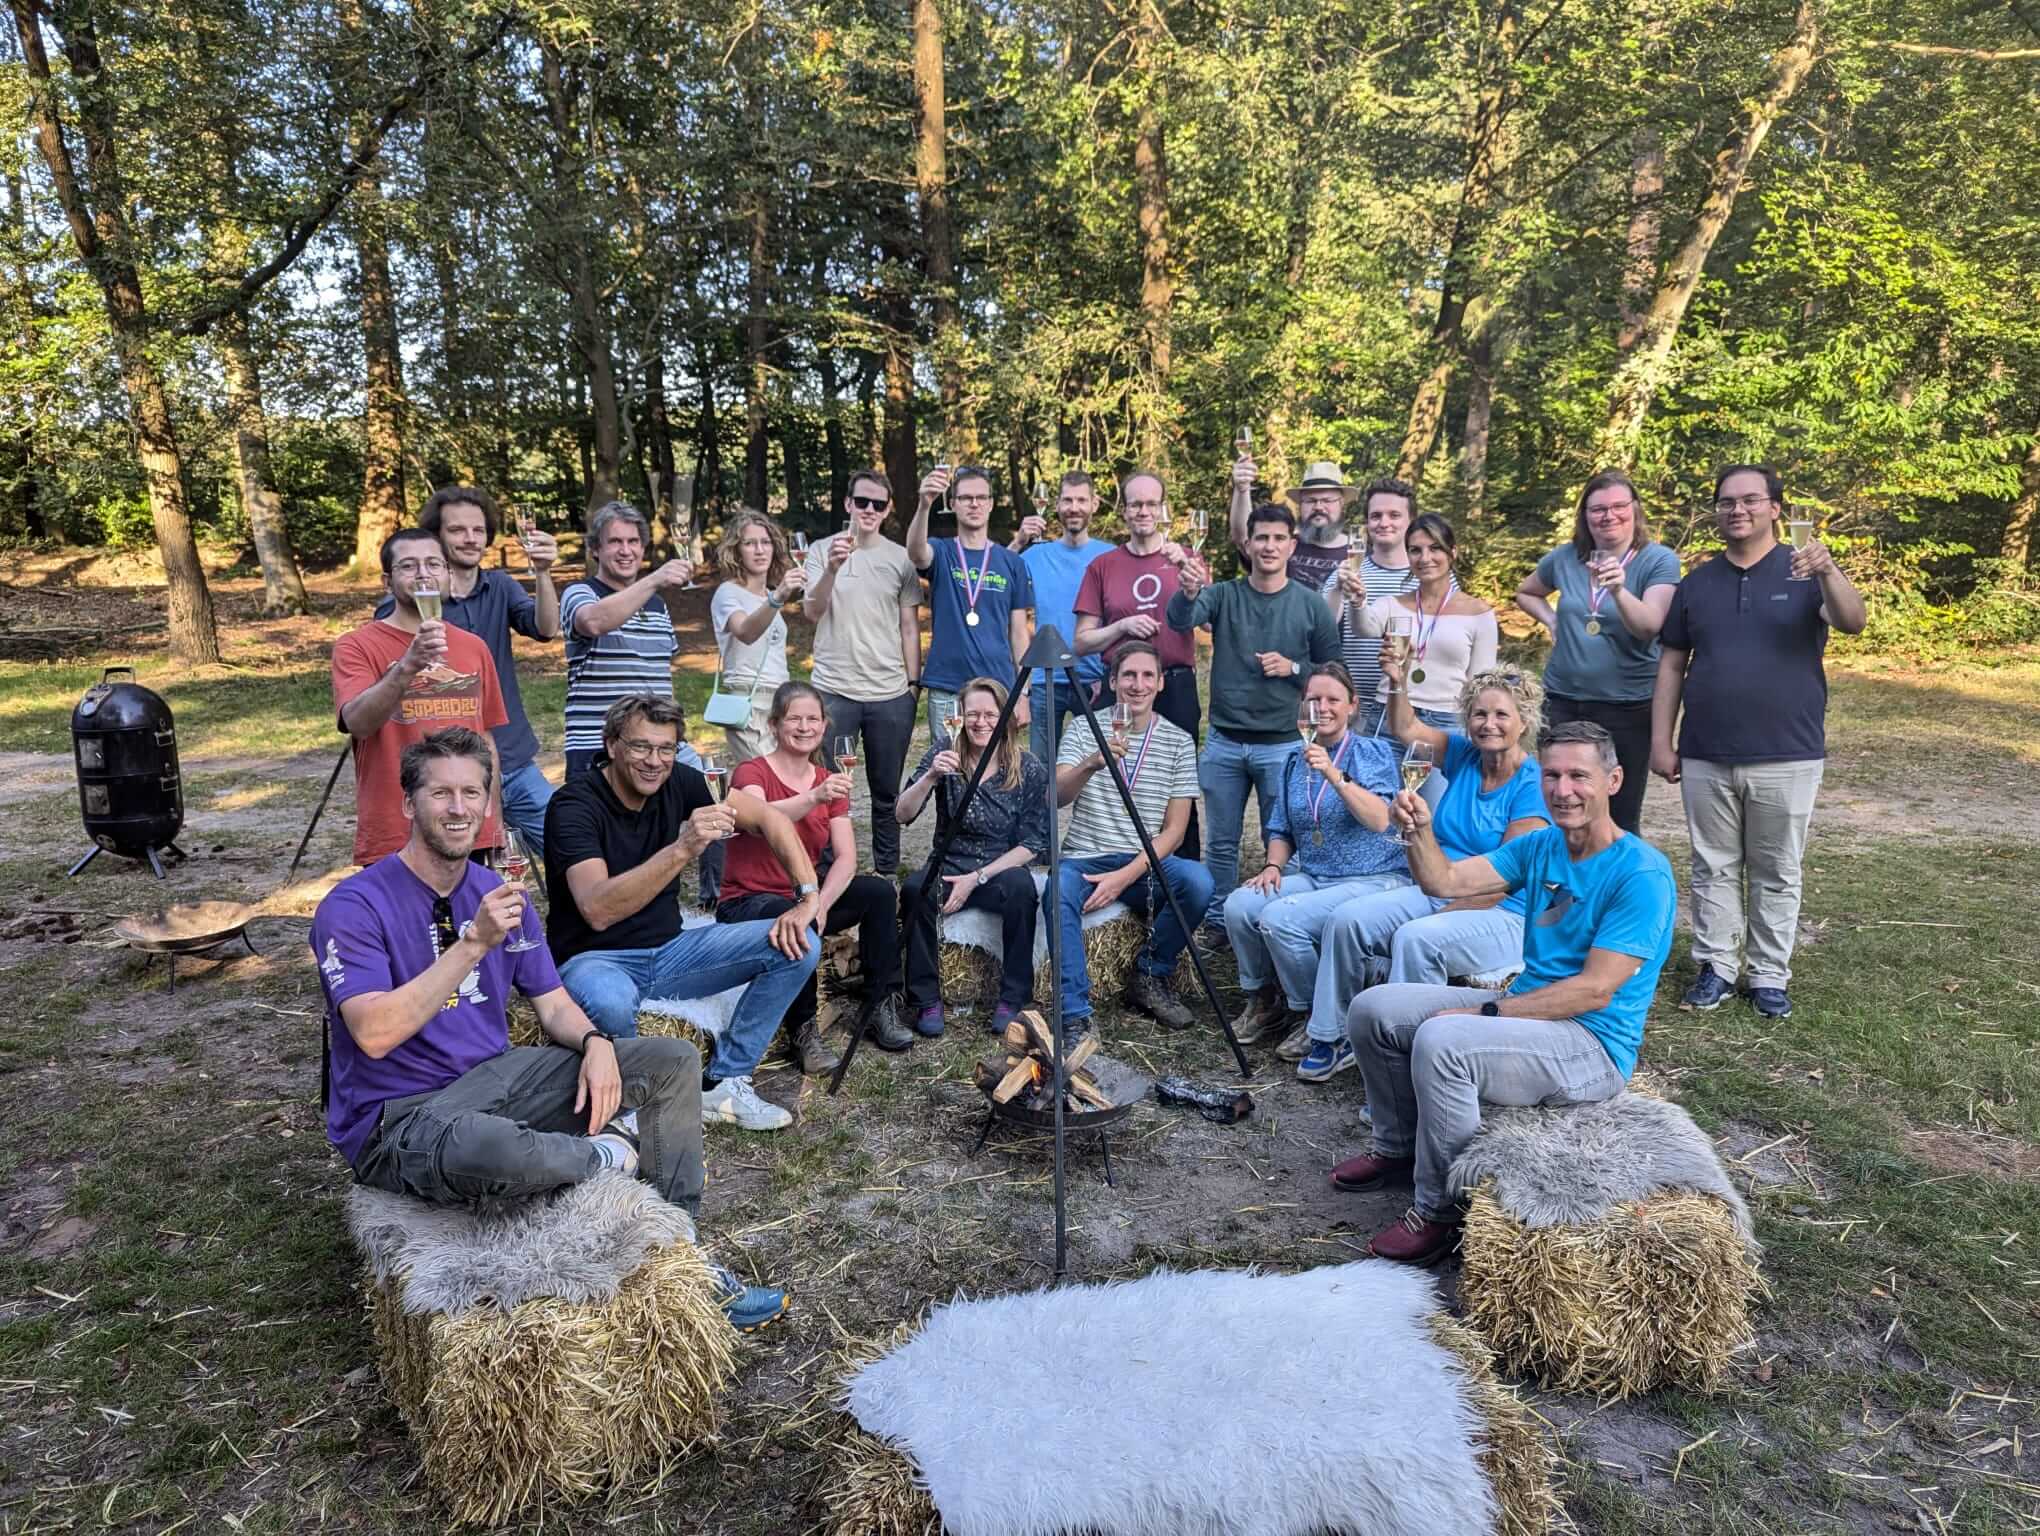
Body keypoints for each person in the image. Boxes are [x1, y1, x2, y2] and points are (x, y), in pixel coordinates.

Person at [310, 727, 786, 1331]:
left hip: (495, 1080)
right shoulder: (354, 907)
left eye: (472, 793)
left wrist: (596, 1045)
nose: (458, 809)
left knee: (671, 1061)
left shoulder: (496, 893)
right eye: (441, 794)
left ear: (488, 803)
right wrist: (472, 943)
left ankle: (683, 1246)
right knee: (480, 1145)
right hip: (398, 1115)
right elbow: (374, 1033)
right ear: (408, 803)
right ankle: (605, 1155)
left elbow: (553, 1000)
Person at [1329, 721, 1677, 1266]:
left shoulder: (1642, 874)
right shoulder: (1541, 846)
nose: (1563, 790)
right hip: (1534, 1020)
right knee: (1374, 1008)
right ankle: (1397, 1149)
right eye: (1553, 775)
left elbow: (1593, 991)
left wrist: (1488, 1008)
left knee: (1445, 1041)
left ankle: (1442, 1210)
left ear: (1614, 780)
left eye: (1579, 776)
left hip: (1590, 1044)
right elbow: (1443, 883)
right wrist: (1419, 833)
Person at [544, 695, 822, 1133]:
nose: (654, 761)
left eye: (666, 749)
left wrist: (808, 898)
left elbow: (772, 820)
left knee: (799, 946)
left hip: (672, 951)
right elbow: (597, 909)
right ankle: (628, 1110)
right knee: (611, 1002)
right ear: (612, 745)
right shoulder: (573, 805)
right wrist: (684, 848)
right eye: (640, 747)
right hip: (596, 957)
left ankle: (727, 1081)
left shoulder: (683, 782)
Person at [1651, 464, 1867, 1019]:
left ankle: (1768, 975)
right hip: (1705, 749)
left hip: (1788, 750)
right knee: (1713, 865)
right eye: (1726, 502)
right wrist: (1661, 739)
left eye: (1750, 500)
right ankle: (1717, 966)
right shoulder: (1696, 583)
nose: (1737, 510)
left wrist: (1829, 568)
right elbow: (1672, 664)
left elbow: (1853, 621)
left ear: (1776, 508)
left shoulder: (1805, 570)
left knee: (1776, 868)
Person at [1312, 666, 1551, 1065]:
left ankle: (1404, 1058)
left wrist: (1439, 912)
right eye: (1478, 714)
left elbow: (1503, 882)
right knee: (1346, 919)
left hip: (1502, 912)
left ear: (1523, 721)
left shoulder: (1532, 785)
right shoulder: (1464, 756)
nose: (1487, 724)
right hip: (1438, 886)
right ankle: (1330, 1035)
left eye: (1500, 715)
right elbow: (1405, 727)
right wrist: (1397, 678)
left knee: (1415, 938)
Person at [1222, 663, 1414, 1082]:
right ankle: (1266, 1003)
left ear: (1351, 705)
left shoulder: (1372, 753)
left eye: (1332, 700)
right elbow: (1279, 827)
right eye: (1313, 699)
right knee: (1240, 904)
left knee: (1279, 920)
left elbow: (1382, 820)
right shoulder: (1294, 760)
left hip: (1373, 876)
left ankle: (1320, 1019)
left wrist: (1332, 772)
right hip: (1314, 873)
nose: (1321, 708)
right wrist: (1273, 865)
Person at [716, 682, 909, 1066]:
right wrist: (813, 798)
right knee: (793, 920)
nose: (804, 727)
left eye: (813, 719)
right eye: (794, 719)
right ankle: (803, 1032)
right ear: (774, 725)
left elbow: (846, 859)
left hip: (805, 893)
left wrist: (818, 902)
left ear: (824, 726)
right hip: (749, 899)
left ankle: (879, 1005)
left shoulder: (828, 779)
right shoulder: (750, 772)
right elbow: (760, 820)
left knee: (880, 893)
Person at [1168, 502, 1339, 933]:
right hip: (1225, 740)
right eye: (1261, 537)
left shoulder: (1311, 604)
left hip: (1283, 742)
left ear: (1292, 545)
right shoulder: (1224, 594)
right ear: (1247, 543)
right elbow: (1180, 620)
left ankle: (1271, 921)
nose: (1269, 545)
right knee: (1221, 843)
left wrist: (1294, 669)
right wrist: (1187, 591)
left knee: (1277, 842)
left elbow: (1333, 672)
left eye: (1279, 538)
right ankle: (1219, 923)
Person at [373, 486, 561, 849]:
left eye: (478, 530)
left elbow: (545, 628)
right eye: (457, 530)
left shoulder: (500, 586)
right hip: (450, 769)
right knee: (472, 866)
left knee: (568, 844)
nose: (470, 539)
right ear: (436, 537)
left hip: (512, 757)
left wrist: (543, 573)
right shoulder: (407, 604)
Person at [1049, 642, 1211, 1035]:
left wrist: (1123, 877)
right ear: (1112, 681)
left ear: (1159, 685)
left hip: (1142, 864)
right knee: (1056, 892)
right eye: (1129, 676)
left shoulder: (1178, 741)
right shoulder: (1085, 726)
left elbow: (1174, 831)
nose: (1137, 685)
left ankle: (1151, 975)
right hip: (1085, 858)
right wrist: (1090, 764)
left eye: (1146, 676)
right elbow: (1055, 797)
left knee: (1199, 883)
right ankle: (1074, 1012)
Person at [1514, 472, 1682, 833]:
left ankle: (1614, 886)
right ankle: (1558, 885)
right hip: (1563, 700)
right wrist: (1552, 620)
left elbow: (1650, 625)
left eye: (1619, 506)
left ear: (1635, 510)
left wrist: (1619, 590)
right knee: (1560, 804)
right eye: (1598, 509)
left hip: (1626, 705)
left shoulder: (1657, 560)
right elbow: (1526, 592)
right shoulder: (1565, 558)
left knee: (1616, 813)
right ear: (1585, 515)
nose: (1609, 516)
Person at [334, 528, 509, 865]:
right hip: (397, 830)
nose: (424, 574)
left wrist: (494, 823)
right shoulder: (356, 646)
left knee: (475, 918)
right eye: (409, 566)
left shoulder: (474, 647)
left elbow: (485, 739)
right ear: (387, 581)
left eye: (433, 564)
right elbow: (357, 723)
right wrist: (407, 666)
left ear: (449, 575)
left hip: (467, 827)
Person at [897, 676, 1050, 1038]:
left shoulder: (1027, 768)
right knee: (915, 889)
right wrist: (931, 776)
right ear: (960, 717)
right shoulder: (944, 752)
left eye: (990, 714)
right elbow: (902, 814)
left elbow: (1032, 844)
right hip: (949, 861)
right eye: (972, 714)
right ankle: (926, 999)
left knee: (1022, 890)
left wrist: (977, 878)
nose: (980, 723)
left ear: (1006, 718)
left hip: (999, 866)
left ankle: (1013, 998)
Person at [1072, 470, 1201, 856]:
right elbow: (1081, 642)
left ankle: (1183, 875)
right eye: (1135, 504)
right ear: (1124, 511)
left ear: (1164, 509)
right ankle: (1115, 863)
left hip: (1175, 686)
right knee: (1113, 778)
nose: (1143, 511)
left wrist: (1192, 587)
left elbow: (1212, 622)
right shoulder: (1103, 565)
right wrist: (1123, 626)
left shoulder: (1187, 558)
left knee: (1178, 785)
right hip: (1123, 689)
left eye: (1151, 503)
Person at [802, 469, 923, 876]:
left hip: (890, 694)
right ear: (847, 504)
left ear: (888, 509)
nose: (869, 510)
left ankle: (886, 871)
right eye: (861, 502)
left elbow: (910, 626)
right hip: (834, 691)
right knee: (830, 790)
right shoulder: (822, 550)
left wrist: (912, 685)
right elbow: (811, 612)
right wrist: (833, 568)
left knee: (886, 791)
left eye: (878, 504)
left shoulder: (901, 557)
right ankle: (827, 871)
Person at [558, 500, 695, 780]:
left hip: (656, 747)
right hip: (597, 749)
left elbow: (660, 679)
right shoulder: (580, 593)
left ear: (642, 548)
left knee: (710, 800)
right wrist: (654, 579)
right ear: (595, 549)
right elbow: (593, 622)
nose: (625, 550)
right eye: (615, 541)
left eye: (633, 541)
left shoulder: (657, 604)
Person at [908, 464, 1034, 735]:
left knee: (996, 771)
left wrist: (1023, 691)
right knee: (948, 768)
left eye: (981, 497)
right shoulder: (941, 551)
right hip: (948, 686)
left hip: (997, 688)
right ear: (953, 504)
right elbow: (917, 554)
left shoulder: (1012, 562)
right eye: (965, 498)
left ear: (991, 504)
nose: (974, 504)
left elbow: (1019, 633)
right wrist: (923, 505)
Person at [1354, 514, 1497, 731]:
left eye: (1435, 548)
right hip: (1388, 714)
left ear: (1453, 553)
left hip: (1447, 720)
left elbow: (1480, 685)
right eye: (1415, 550)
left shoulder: (1479, 613)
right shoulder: (1392, 605)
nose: (1425, 558)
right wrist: (1356, 601)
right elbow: (1363, 627)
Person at [1009, 472, 1110, 761]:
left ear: (1094, 504)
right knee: (1041, 771)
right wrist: (1017, 541)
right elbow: (996, 578)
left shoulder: (1110, 556)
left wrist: (1109, 676)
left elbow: (1119, 619)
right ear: (1057, 504)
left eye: (1081, 500)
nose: (1074, 507)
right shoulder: (1034, 555)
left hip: (1094, 681)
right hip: (1044, 678)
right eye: (1067, 500)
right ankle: (1043, 810)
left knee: (1099, 770)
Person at [1322, 478, 1418, 734]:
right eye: (1376, 516)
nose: (1384, 522)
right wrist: (1335, 590)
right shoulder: (1347, 571)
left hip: (1413, 707)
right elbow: (1322, 627)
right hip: (1355, 710)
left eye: (1394, 515)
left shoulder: (1429, 573)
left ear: (1410, 522)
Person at [710, 510, 808, 762]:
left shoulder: (769, 595)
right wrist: (779, 597)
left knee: (782, 782)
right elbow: (746, 632)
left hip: (780, 701)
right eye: (749, 543)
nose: (759, 550)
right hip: (747, 702)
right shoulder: (727, 593)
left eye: (765, 542)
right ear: (736, 551)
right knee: (765, 776)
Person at [1230, 455, 1354, 593]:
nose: (1319, 507)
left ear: (1341, 504)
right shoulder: (1281, 544)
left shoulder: (1357, 553)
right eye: (1311, 501)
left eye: (1327, 500)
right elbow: (1243, 537)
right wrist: (1241, 490)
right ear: (1300, 504)